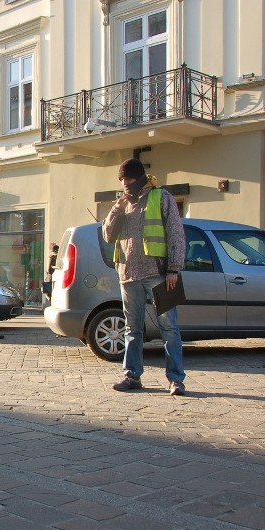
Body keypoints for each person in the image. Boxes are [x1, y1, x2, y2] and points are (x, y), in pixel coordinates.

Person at [102, 158, 187, 395]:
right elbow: (108, 236)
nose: (124, 183)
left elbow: (176, 234)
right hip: (128, 274)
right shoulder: (122, 204)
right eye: (121, 180)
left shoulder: (162, 197)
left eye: (128, 179)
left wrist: (174, 269)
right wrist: (116, 209)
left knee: (168, 327)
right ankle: (132, 376)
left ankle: (176, 379)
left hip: (159, 273)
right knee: (132, 328)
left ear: (139, 177)